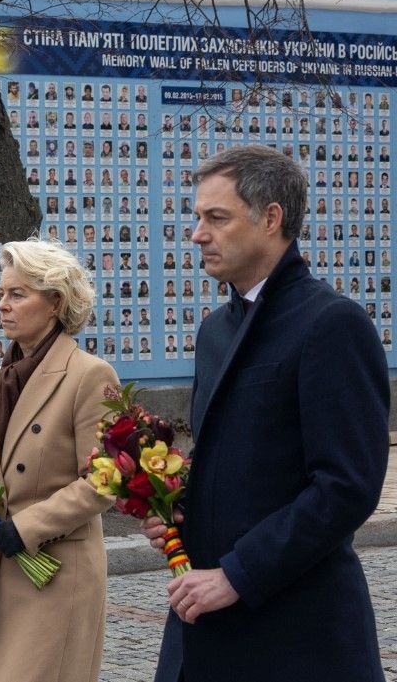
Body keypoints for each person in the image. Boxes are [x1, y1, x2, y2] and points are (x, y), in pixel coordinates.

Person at [143, 145, 390, 682]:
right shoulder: (214, 330)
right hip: (202, 632)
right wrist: (172, 505)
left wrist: (237, 573)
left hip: (295, 636)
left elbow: (346, 486)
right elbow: (236, 461)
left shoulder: (332, 324)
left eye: (216, 218)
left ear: (271, 217)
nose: (197, 234)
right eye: (197, 217)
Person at [0, 240, 118, 681]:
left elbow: (104, 480)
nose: (2, 306)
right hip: (5, 566)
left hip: (57, 572)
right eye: (0, 294)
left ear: (55, 302)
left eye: (17, 294)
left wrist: (26, 527)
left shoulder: (91, 374)